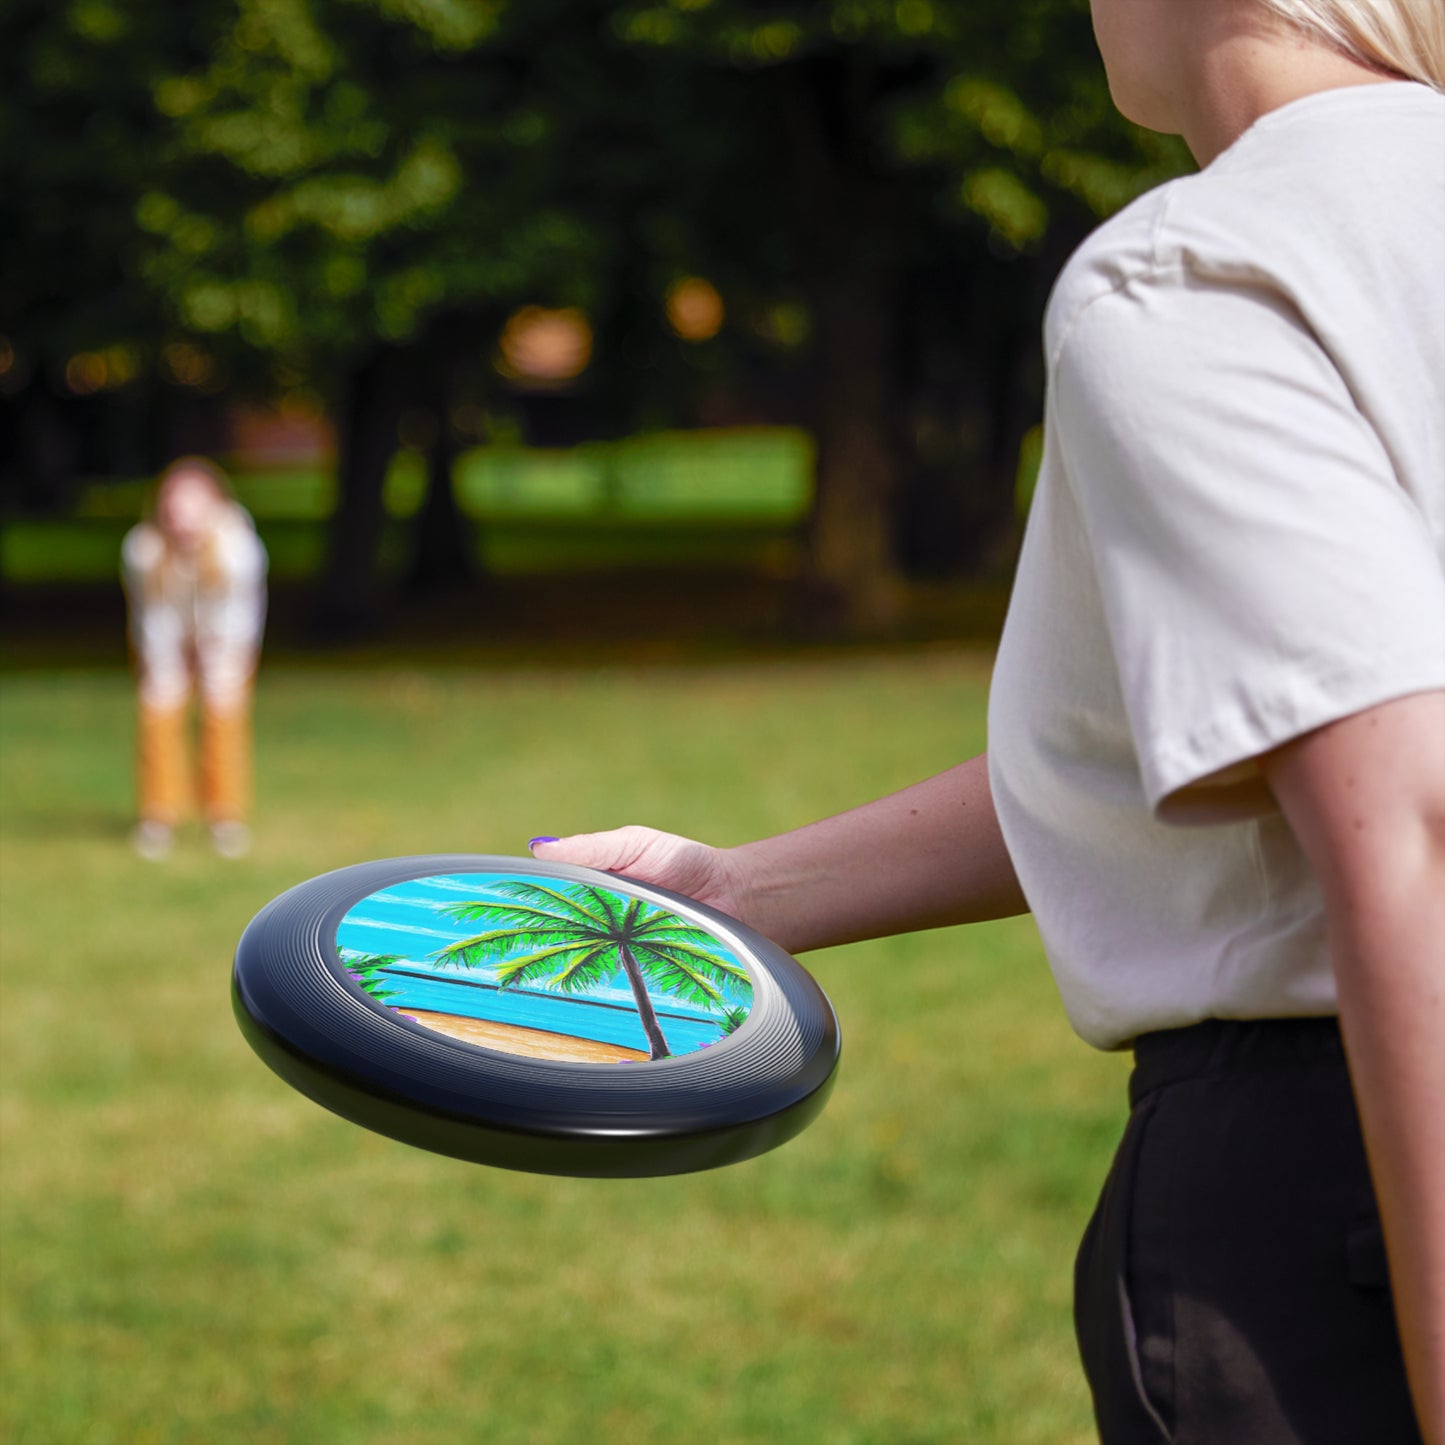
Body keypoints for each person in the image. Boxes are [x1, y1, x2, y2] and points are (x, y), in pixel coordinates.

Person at [527, 2, 1445, 1440]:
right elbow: (1219, 739)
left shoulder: (1205, 270)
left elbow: (1410, 822)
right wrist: (738, 890)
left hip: (1342, 1193)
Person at [121, 457, 268, 860]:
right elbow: (152, 616)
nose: (182, 517)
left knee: (223, 717)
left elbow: (239, 616)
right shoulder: (143, 549)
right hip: (165, 640)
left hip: (226, 641)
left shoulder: (239, 549)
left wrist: (215, 659)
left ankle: (225, 818)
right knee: (158, 712)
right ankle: (158, 816)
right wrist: (168, 664)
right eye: (174, 506)